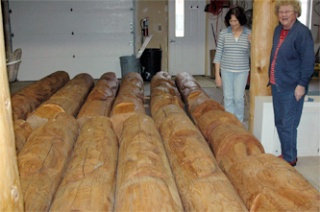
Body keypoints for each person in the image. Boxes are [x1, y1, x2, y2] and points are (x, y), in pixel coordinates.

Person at [269, 0, 314, 166]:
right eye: (281, 12)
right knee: (280, 122)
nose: (284, 15)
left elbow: (308, 62)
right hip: (276, 84)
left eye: (288, 11)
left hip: (292, 87)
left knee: (288, 124)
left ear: (296, 13)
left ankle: (289, 159)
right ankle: (288, 154)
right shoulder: (278, 30)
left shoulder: (302, 33)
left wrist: (301, 85)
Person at [213, 6, 251, 123]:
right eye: (230, 21)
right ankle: (230, 123)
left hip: (242, 71)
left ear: (241, 20)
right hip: (226, 70)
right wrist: (217, 75)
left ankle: (238, 122)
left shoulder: (248, 34)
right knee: (228, 98)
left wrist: (252, 43)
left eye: (235, 21)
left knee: (238, 98)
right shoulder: (224, 33)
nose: (232, 23)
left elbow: (252, 56)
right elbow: (218, 54)